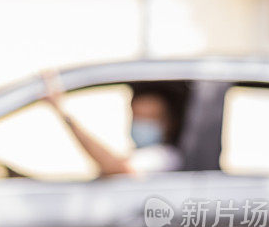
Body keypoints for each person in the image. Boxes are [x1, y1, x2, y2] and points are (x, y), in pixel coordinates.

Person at [41, 69, 184, 176]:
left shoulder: (165, 157)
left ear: (168, 124)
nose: (140, 124)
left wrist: (63, 114)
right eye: (137, 117)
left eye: (149, 118)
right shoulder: (135, 154)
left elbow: (118, 170)